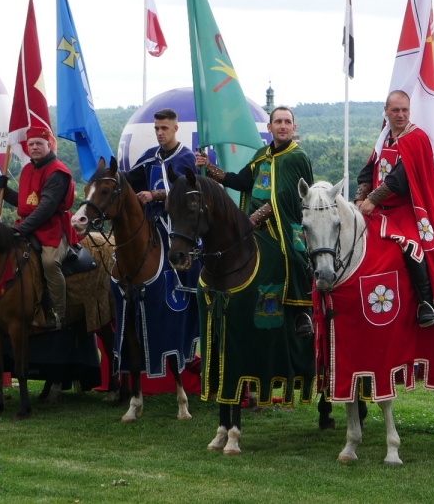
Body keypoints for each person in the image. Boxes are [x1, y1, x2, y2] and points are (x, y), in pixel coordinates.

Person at [355, 90, 434, 327]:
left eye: (404, 110)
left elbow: (400, 178)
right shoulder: (384, 137)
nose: (400, 115)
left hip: (409, 208)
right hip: (379, 208)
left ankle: (426, 303)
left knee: (411, 244)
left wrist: (373, 199)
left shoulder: (416, 138)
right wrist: (360, 198)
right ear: (386, 111)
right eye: (395, 110)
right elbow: (369, 170)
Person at [196, 106, 315, 336]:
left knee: (293, 256)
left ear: (294, 127)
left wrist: (252, 219)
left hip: (286, 223)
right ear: (269, 127)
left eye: (287, 122)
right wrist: (208, 168)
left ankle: (303, 312)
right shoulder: (262, 155)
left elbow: (284, 197)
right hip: (253, 224)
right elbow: (241, 181)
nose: (282, 126)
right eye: (278, 122)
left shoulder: (296, 157)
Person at [0, 127, 81, 331]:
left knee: (50, 263)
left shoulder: (57, 172)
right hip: (30, 225)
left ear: (49, 145)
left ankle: (59, 314)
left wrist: (22, 229)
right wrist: (5, 192)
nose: (34, 147)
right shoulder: (28, 169)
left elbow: (46, 208)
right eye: (31, 144)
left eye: (39, 144)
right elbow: (26, 203)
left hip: (52, 227)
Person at [126, 108, 197, 225]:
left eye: (164, 128)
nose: (159, 133)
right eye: (157, 128)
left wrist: (153, 195)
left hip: (178, 225)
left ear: (175, 129)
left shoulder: (187, 157)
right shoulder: (150, 155)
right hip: (151, 221)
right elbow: (130, 177)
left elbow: (190, 190)